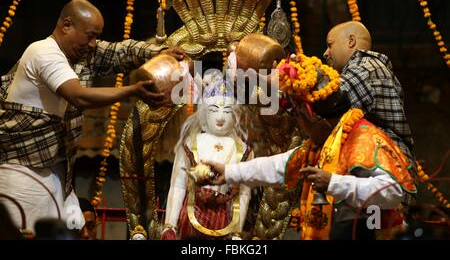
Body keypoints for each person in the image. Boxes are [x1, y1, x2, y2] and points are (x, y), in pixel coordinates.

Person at [0, 0, 184, 232]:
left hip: (58, 171)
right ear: (66, 26)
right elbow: (79, 96)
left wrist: (157, 52)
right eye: (90, 36)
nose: (93, 43)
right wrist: (132, 90)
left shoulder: (79, 54)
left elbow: (120, 52)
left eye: (96, 36)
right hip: (21, 170)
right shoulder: (43, 52)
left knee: (67, 228)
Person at [204, 53, 417, 240]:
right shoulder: (324, 144)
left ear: (320, 120)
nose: (299, 125)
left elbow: (392, 191)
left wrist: (333, 182)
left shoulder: (362, 139)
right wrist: (230, 171)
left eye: (300, 117)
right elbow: (280, 165)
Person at [161, 75, 253, 240]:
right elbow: (178, 186)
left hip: (223, 219)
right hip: (191, 215)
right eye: (213, 110)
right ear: (204, 112)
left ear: (235, 115)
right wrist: (170, 225)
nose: (220, 117)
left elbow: (244, 194)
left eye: (226, 111)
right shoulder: (191, 143)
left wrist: (237, 231)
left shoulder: (242, 150)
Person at [323, 21, 414, 162]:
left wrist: (296, 76)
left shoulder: (365, 67)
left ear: (351, 41)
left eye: (330, 45)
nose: (326, 53)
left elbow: (329, 102)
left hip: (388, 164)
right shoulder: (369, 67)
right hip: (385, 160)